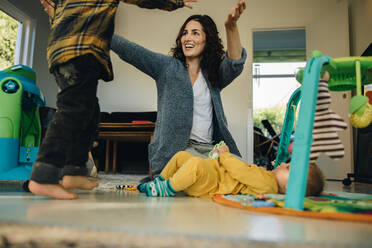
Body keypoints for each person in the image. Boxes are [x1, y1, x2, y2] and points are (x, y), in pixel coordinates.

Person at [29, 0, 199, 200]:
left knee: (90, 112)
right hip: (80, 52)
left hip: (69, 52)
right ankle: (43, 175)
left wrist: (54, 14)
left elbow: (61, 17)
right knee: (72, 110)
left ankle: (73, 171)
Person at [111, 0, 247, 177]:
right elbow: (131, 51)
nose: (187, 38)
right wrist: (101, 32)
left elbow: (235, 63)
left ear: (207, 40)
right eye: (184, 33)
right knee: (203, 173)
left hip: (211, 149)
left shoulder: (214, 74)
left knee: (244, 172)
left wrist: (231, 26)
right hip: (179, 153)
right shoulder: (167, 68)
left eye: (195, 33)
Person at [138, 144, 325, 197]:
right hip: (213, 174)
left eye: (289, 168)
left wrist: (225, 156)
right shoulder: (267, 177)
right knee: (180, 156)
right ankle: (160, 180)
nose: (284, 164)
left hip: (212, 185)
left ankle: (168, 187)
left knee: (194, 164)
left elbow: (240, 171)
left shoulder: (268, 184)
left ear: (289, 185)